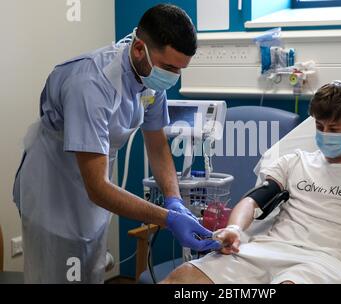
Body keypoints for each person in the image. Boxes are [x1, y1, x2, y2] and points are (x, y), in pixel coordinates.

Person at [12, 4, 220, 284]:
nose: (173, 77)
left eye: (180, 69)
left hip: (93, 186)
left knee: (88, 272)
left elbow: (157, 144)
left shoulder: (151, 79)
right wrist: (167, 219)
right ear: (138, 49)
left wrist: (174, 200)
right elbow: (97, 188)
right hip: (53, 187)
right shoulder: (91, 84)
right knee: (54, 274)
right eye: (169, 67)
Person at [161, 80, 341, 284]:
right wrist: (235, 229)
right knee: (183, 278)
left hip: (326, 264)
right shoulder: (295, 162)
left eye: (334, 129)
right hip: (267, 250)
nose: (324, 134)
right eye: (319, 126)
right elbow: (253, 200)